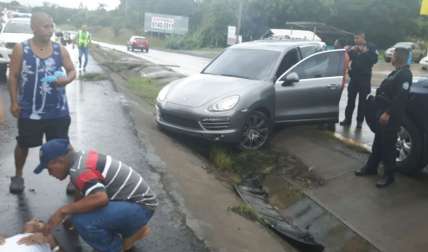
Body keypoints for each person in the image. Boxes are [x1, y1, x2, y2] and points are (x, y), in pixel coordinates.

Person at [34, 139, 157, 252]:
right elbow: (84, 193)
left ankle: (114, 248)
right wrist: (71, 213)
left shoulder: (80, 171)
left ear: (60, 161)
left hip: (140, 207)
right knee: (81, 213)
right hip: (137, 204)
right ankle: (133, 231)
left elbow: (100, 198)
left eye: (49, 168)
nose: (50, 173)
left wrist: (62, 211)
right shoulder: (81, 158)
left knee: (82, 221)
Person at [8, 12, 76, 194]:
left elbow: (71, 70)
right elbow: (13, 76)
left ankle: (75, 178)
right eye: (45, 26)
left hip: (58, 111)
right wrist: (14, 102)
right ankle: (18, 175)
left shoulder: (59, 49)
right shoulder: (21, 49)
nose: (50, 30)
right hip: (29, 110)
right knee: (23, 143)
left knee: (64, 145)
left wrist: (66, 80)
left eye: (51, 26)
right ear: (33, 28)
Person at [355, 47, 412, 188]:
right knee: (379, 142)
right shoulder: (397, 72)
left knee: (388, 146)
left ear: (398, 57)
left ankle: (389, 175)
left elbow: (400, 98)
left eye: (392, 55)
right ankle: (371, 168)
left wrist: (388, 113)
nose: (390, 57)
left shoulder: (405, 74)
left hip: (391, 116)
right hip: (382, 112)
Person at [340, 33, 378, 129]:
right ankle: (347, 119)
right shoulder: (354, 48)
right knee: (350, 100)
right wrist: (347, 50)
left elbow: (374, 60)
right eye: (354, 38)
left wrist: (365, 52)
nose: (355, 40)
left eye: (357, 38)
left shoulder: (371, 47)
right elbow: (347, 57)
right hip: (354, 78)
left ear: (363, 38)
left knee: (362, 102)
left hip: (364, 79)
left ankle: (359, 122)